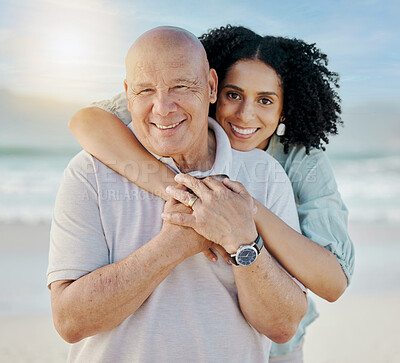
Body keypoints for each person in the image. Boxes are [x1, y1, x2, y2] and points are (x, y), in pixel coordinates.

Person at [68, 25, 355, 362]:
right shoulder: (174, 105)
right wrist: (190, 196)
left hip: (279, 345)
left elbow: (333, 281)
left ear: (284, 109)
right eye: (234, 94)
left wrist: (242, 210)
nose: (245, 114)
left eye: (265, 100)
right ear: (212, 89)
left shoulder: (295, 161)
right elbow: (87, 121)